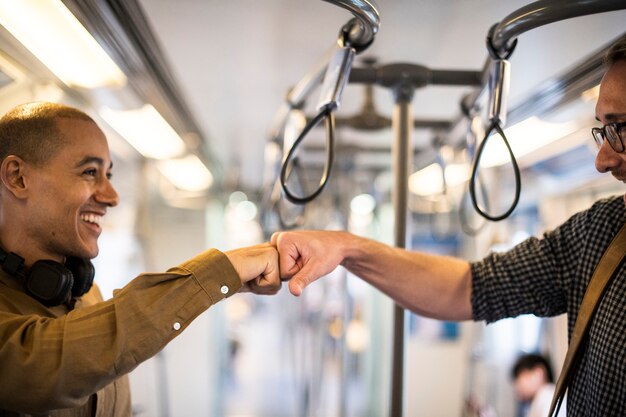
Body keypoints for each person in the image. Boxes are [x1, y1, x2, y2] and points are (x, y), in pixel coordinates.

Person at [272, 34, 626, 416]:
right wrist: (346, 248)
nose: (602, 160)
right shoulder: (601, 234)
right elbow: (469, 287)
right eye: (602, 130)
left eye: (618, 128)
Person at [0, 102, 281, 416]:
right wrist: (219, 271)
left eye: (108, 174)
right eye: (90, 172)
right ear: (18, 177)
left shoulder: (83, 292)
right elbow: (42, 363)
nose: (111, 196)